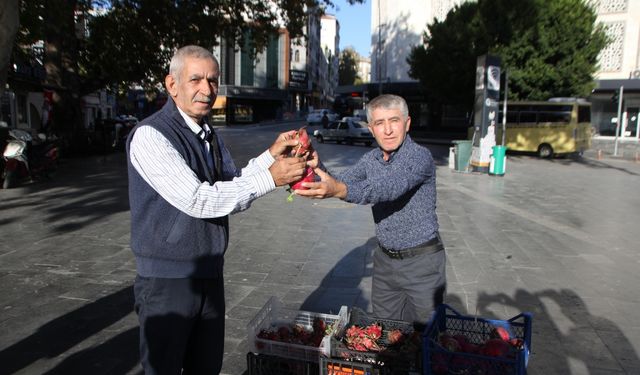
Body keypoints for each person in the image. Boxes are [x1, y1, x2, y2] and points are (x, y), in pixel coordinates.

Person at [126, 45, 307, 374]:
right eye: (195, 79)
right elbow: (198, 199)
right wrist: (271, 177)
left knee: (205, 367)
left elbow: (231, 183)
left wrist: (271, 155)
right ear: (172, 84)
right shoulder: (150, 135)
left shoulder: (208, 134)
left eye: (212, 80)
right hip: (167, 281)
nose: (206, 89)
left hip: (209, 273)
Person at [296, 94, 445, 326]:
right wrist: (318, 166)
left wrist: (338, 190)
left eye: (394, 121)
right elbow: (343, 180)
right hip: (385, 262)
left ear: (407, 123)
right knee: (387, 331)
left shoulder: (419, 157)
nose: (387, 130)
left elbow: (387, 188)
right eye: (379, 123)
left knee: (428, 335)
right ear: (371, 129)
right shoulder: (371, 159)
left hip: (422, 263)